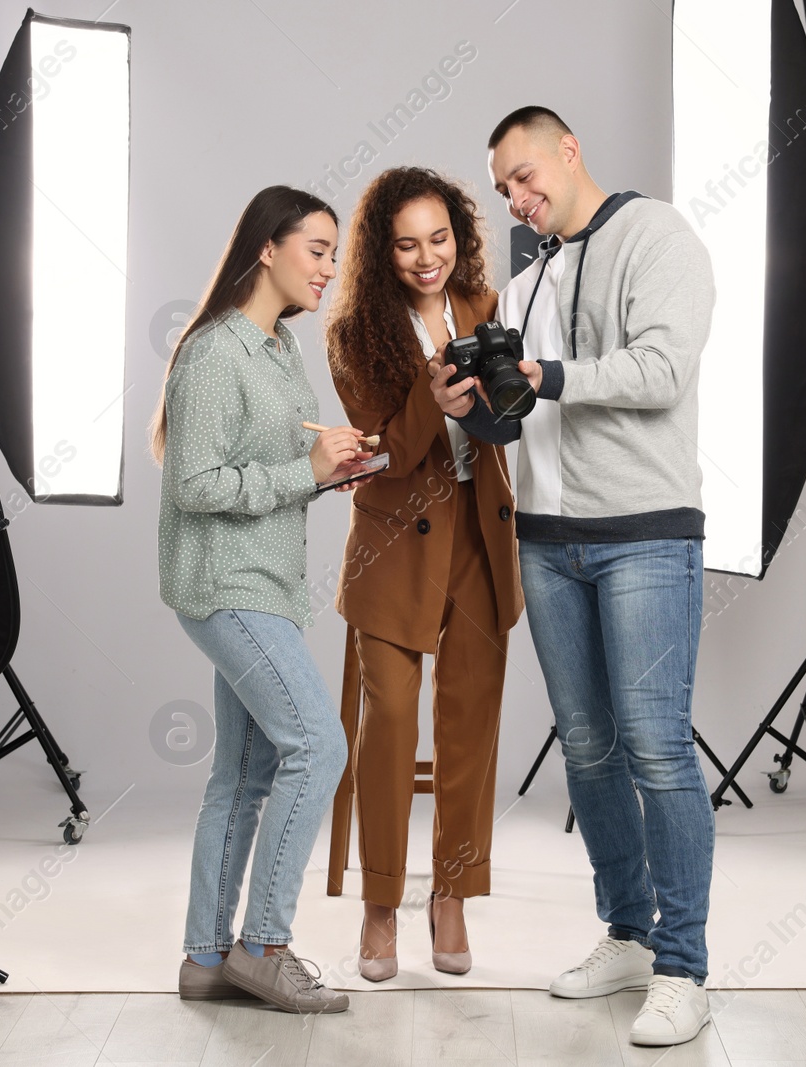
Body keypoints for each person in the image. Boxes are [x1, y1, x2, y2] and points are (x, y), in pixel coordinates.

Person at [428, 107, 718, 1047]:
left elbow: (662, 370)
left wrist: (546, 373)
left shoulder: (656, 234)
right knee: (588, 750)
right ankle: (628, 932)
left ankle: (684, 965)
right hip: (548, 542)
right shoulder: (525, 282)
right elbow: (512, 426)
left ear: (569, 149)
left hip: (643, 533)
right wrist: (466, 407)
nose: (517, 196)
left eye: (525, 174)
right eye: (503, 187)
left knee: (658, 747)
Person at [153, 185, 375, 1015]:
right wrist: (303, 473)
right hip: (227, 584)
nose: (329, 266)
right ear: (267, 249)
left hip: (267, 586)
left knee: (243, 775)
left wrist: (333, 469)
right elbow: (195, 483)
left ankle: (208, 959)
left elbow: (279, 470)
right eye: (317, 248)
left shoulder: (278, 349)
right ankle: (265, 946)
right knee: (318, 745)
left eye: (333, 252)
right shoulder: (216, 352)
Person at [323, 167, 523, 981]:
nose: (427, 257)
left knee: (471, 723)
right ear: (381, 253)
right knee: (390, 725)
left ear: (459, 236)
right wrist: (431, 401)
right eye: (407, 244)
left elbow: (509, 423)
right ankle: (379, 905)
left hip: (479, 537)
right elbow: (383, 453)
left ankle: (452, 895)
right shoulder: (354, 334)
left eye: (439, 238)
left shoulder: (484, 305)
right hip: (395, 544)